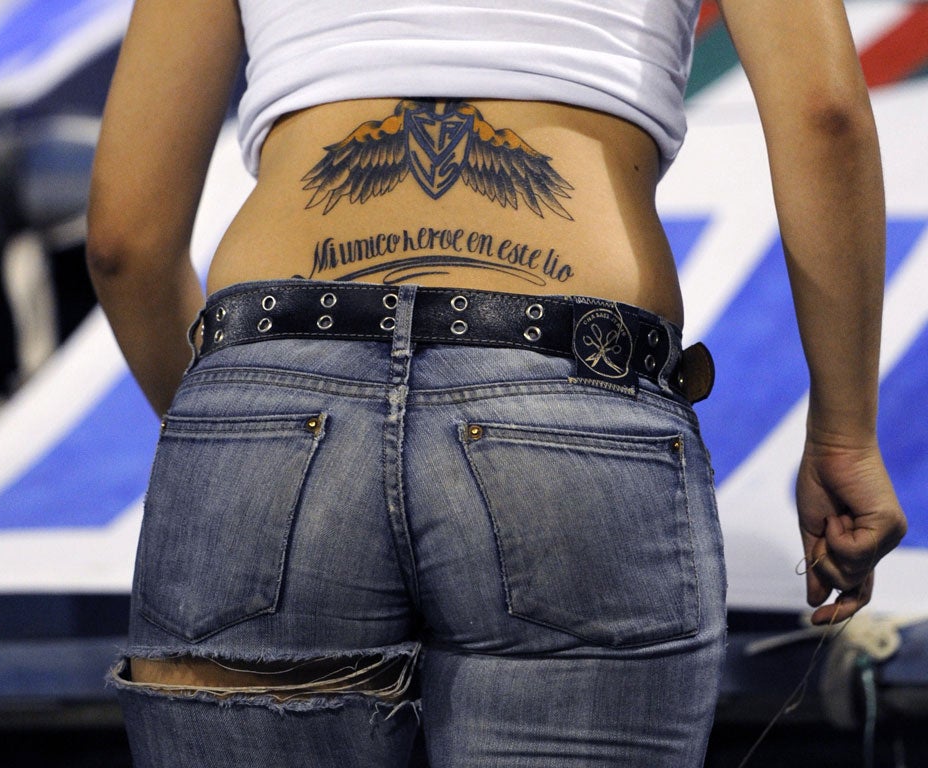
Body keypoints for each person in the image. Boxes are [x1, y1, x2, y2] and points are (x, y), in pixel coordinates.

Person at [86, 0, 908, 765]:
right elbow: (824, 116)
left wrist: (244, 436)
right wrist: (843, 434)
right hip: (565, 385)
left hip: (271, 373)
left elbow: (125, 241)